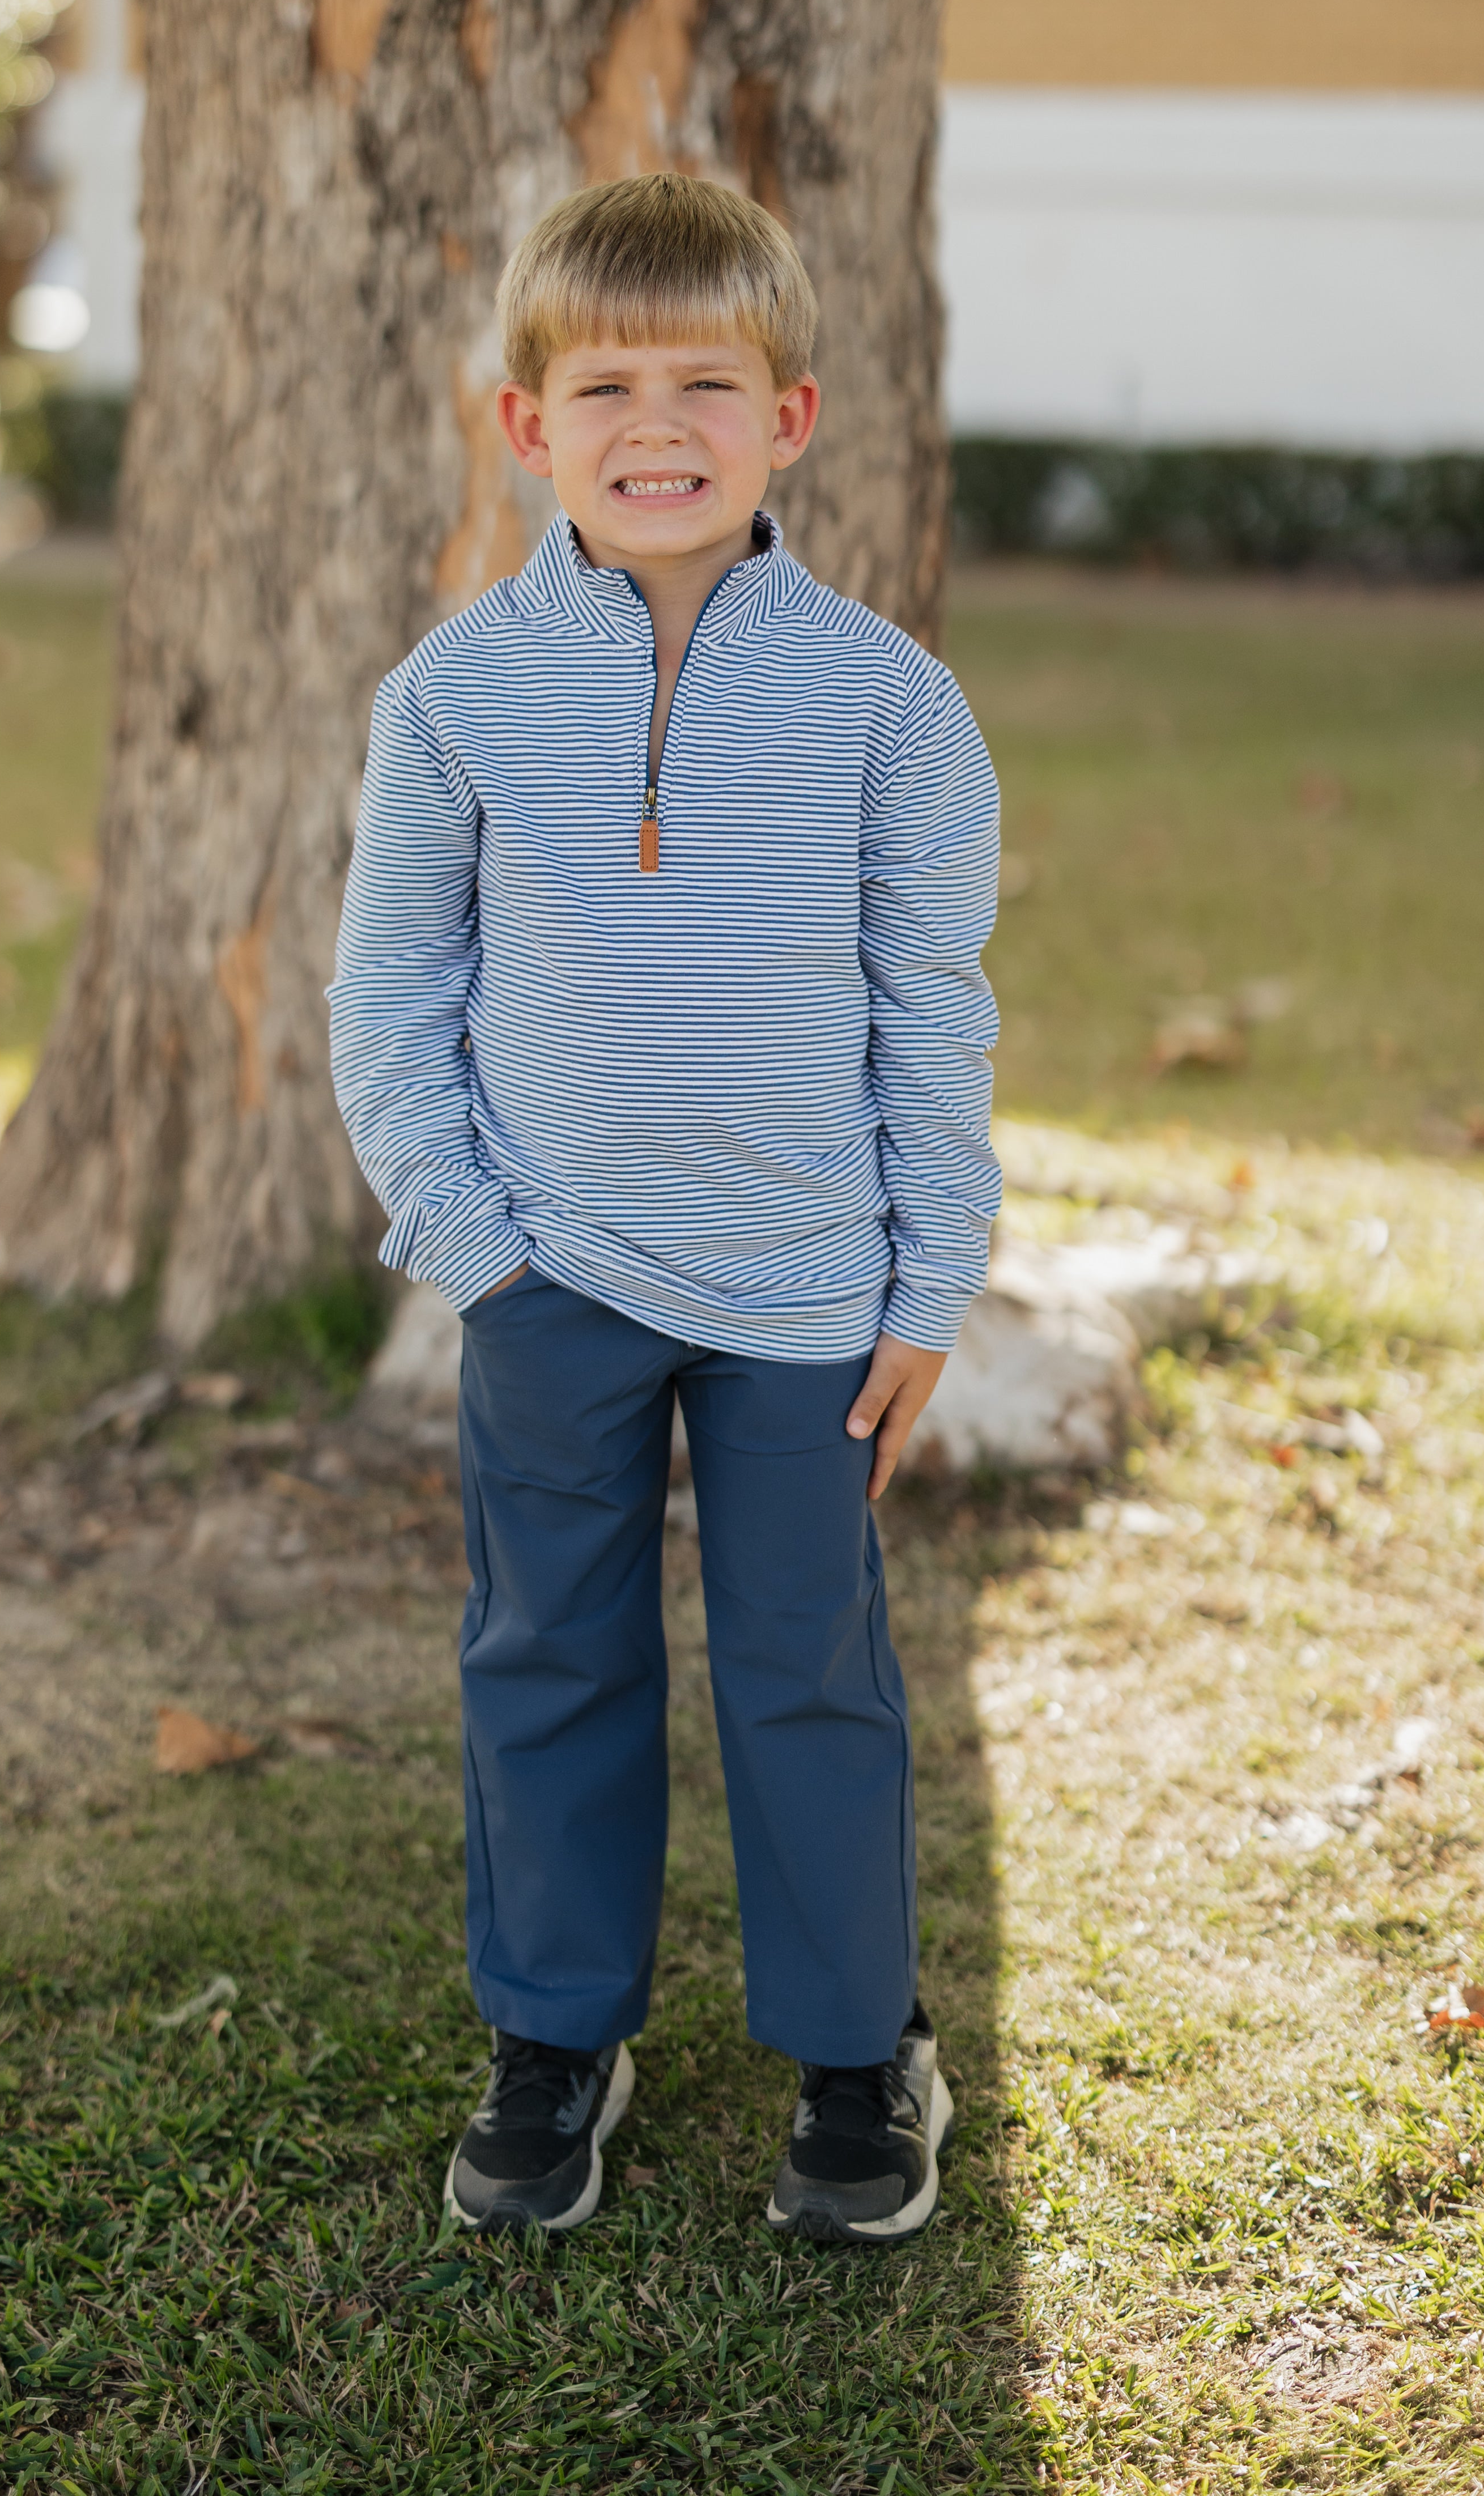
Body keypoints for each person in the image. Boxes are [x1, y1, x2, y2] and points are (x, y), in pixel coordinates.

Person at [327, 171, 1001, 2244]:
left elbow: (932, 1005)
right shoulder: (457, 694)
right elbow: (389, 996)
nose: (659, 423)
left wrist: (930, 1276)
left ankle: (852, 2050)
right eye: (605, 383)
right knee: (549, 1654)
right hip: (552, 1285)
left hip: (809, 1292)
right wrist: (471, 1250)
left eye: (709, 381)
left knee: (809, 1667)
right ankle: (555, 2036)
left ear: (787, 419)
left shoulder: (887, 701)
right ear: (527, 427)